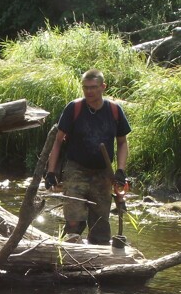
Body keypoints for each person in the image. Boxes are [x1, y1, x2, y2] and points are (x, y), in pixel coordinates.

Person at [45, 69, 131, 245]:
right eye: (85, 88)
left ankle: (99, 259)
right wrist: (51, 172)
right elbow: (58, 141)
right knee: (74, 220)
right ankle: (69, 254)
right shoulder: (74, 108)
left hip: (103, 173)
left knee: (100, 226)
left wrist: (121, 170)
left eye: (93, 87)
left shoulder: (114, 110)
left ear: (103, 87)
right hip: (76, 169)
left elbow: (122, 142)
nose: (89, 91)